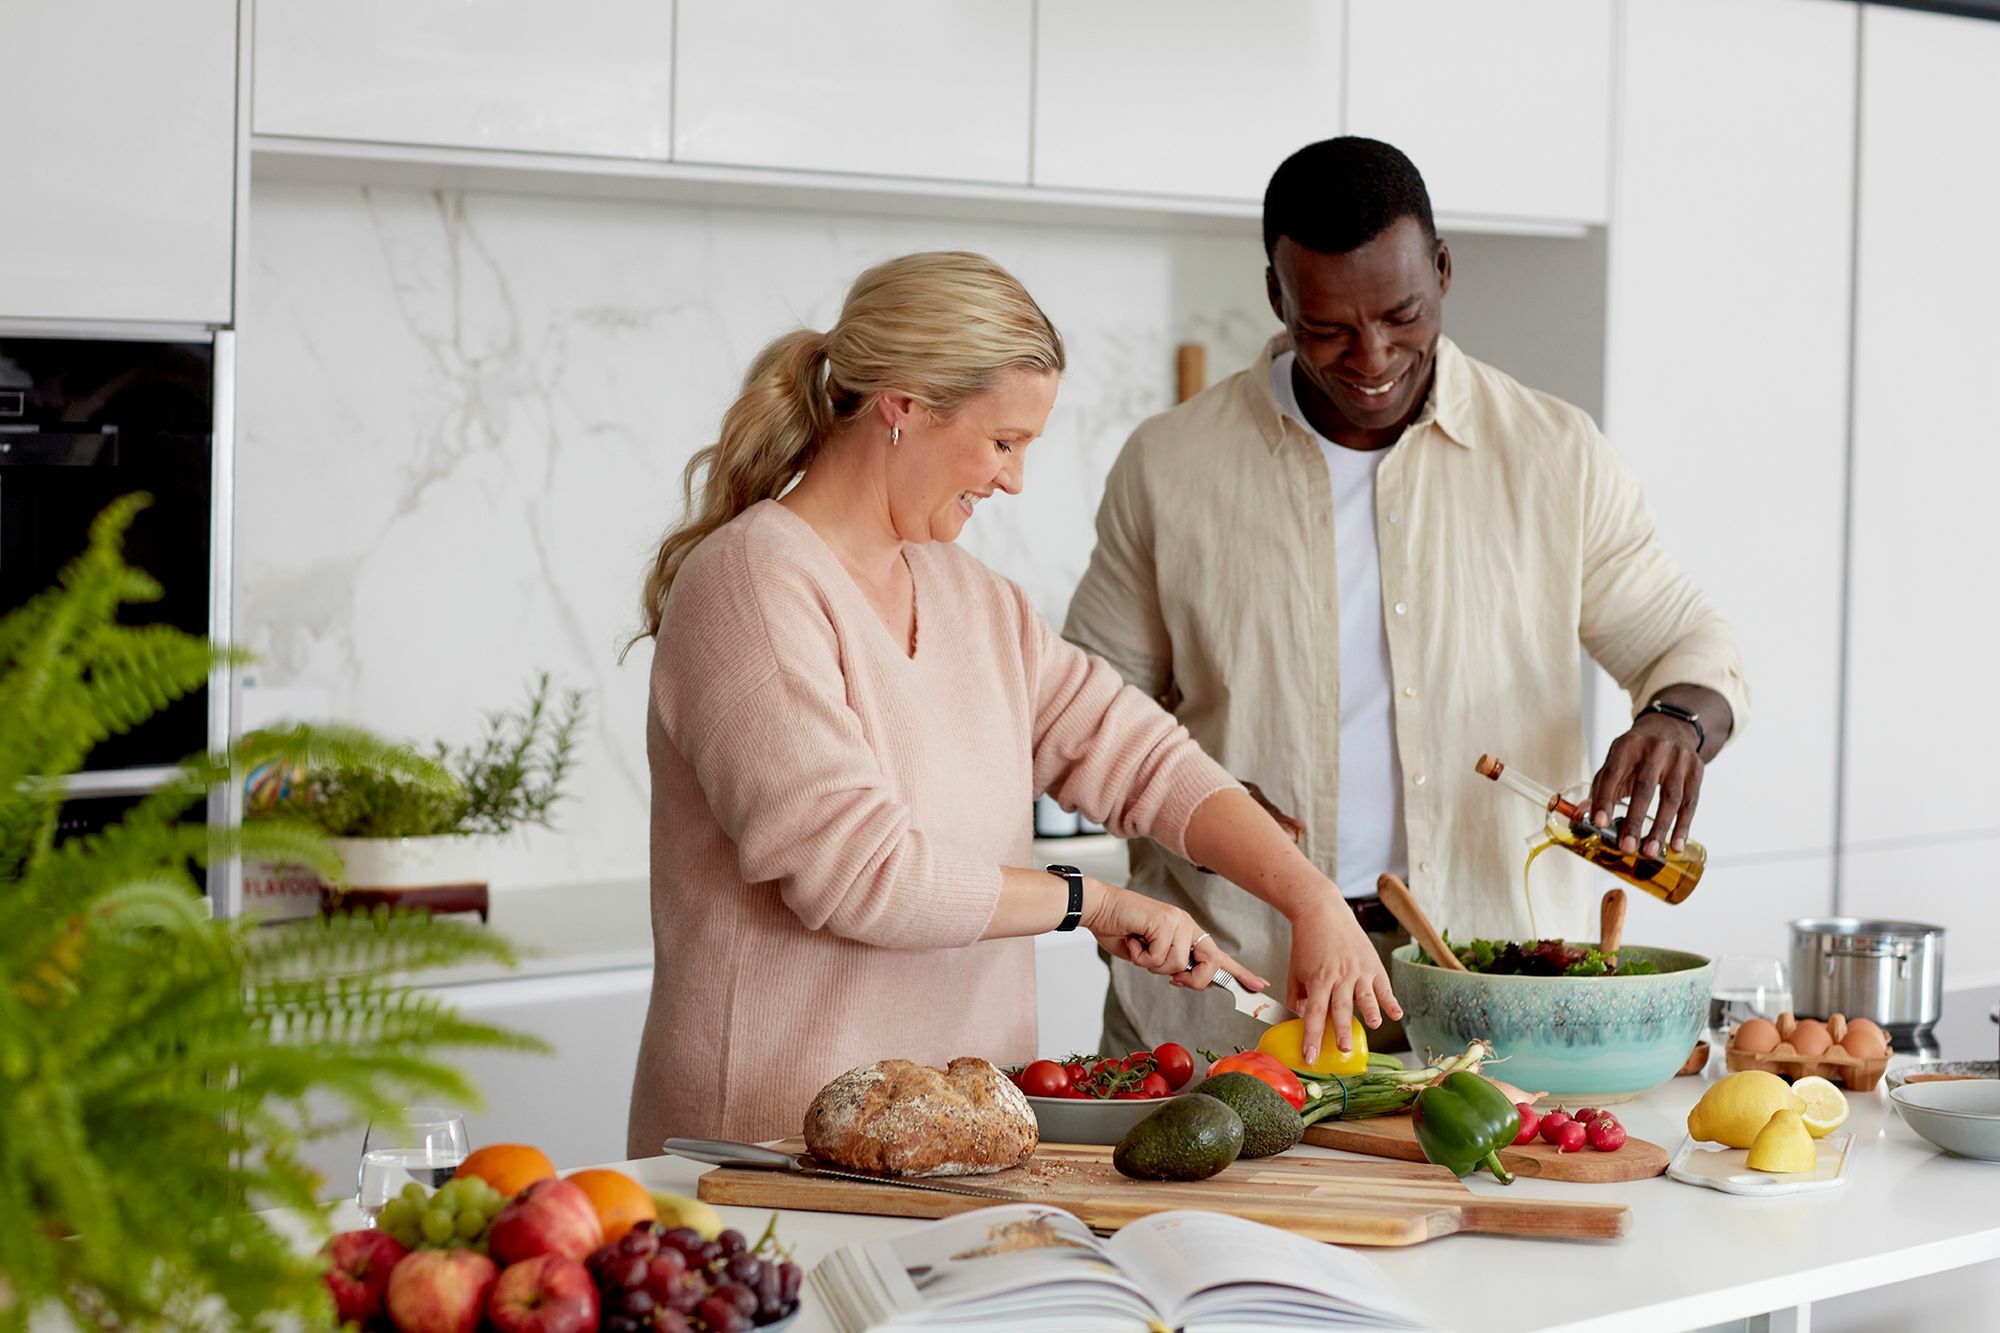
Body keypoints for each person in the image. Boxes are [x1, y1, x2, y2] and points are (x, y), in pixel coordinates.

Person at [625, 251, 1399, 1150]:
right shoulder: (752, 585)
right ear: (904, 405)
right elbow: (860, 874)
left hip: (966, 1149)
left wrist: (1310, 899)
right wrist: (1093, 903)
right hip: (771, 1154)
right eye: (1004, 442)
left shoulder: (973, 598)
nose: (1013, 479)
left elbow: (1141, 756)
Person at [1064, 139, 1750, 1058]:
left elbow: (1686, 640)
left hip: (1490, 991)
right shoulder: (1170, 466)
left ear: (1443, 271)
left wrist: (1678, 720)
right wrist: (1204, 802)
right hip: (1232, 992)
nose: (1374, 356)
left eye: (1401, 314)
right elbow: (1087, 714)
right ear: (1277, 297)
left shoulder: (1554, 455)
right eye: (1330, 329)